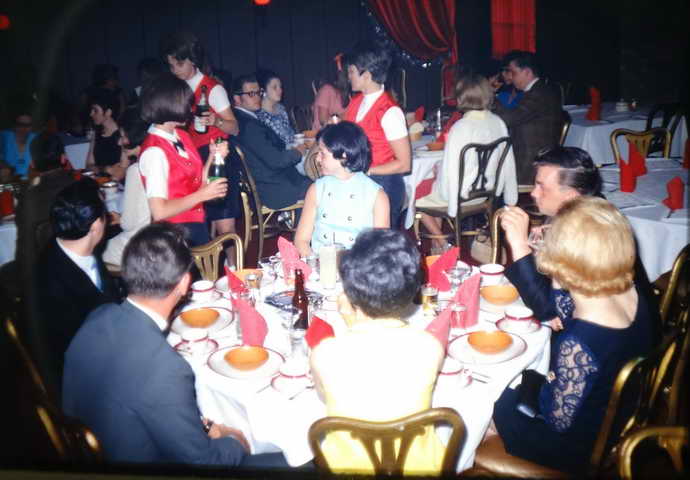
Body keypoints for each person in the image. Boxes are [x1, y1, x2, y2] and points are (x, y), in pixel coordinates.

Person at [63, 223, 287, 468]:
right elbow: (205, 461)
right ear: (184, 283)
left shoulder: (98, 317)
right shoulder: (165, 369)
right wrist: (236, 440)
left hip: (90, 450)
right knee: (291, 461)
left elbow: (138, 398)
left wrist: (206, 427)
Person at [491, 196, 654, 474]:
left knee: (488, 402)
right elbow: (563, 310)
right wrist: (559, 268)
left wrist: (520, 393)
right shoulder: (628, 290)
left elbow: (557, 421)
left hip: (572, 448)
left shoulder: (579, 343)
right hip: (617, 416)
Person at [310, 229, 445, 475]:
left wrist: (350, 319)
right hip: (420, 469)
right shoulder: (431, 346)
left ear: (348, 291)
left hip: (347, 470)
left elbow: (324, 397)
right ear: (413, 289)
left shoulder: (324, 354)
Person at [34, 178, 119, 395]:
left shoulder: (76, 247)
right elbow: (83, 349)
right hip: (89, 382)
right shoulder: (51, 281)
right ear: (96, 225)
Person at [415, 73, 518, 252]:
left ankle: (442, 243)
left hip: (459, 195)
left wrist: (439, 175)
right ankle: (438, 247)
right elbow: (508, 164)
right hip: (487, 192)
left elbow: (450, 171)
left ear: (461, 97)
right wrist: (510, 197)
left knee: (414, 193)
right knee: (431, 184)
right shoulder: (498, 122)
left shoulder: (461, 127)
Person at [161, 31, 241, 254]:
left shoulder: (212, 88)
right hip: (192, 159)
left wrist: (216, 120)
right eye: (171, 66)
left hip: (217, 156)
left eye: (179, 64)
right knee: (196, 224)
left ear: (192, 60)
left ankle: (233, 268)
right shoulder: (176, 90)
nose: (174, 70)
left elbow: (235, 127)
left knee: (225, 225)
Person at [138, 72, 228, 246]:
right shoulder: (154, 151)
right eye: (185, 103)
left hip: (196, 225)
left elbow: (198, 181)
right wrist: (202, 195)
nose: (191, 108)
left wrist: (214, 155)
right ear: (168, 104)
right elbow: (159, 212)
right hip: (174, 236)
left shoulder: (181, 135)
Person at [294, 122, 389, 256]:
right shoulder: (317, 189)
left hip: (359, 264)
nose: (318, 159)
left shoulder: (376, 195)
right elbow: (301, 240)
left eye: (322, 153)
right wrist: (314, 262)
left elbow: (380, 248)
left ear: (343, 155)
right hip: (320, 261)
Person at [343, 42, 411, 228]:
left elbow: (404, 164)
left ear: (366, 75)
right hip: (359, 183)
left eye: (351, 71)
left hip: (383, 185)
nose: (348, 77)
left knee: (380, 245)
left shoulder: (389, 112)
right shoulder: (356, 102)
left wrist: (367, 170)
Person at [232, 74, 311, 209]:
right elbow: (276, 161)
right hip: (275, 188)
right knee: (321, 185)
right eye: (251, 94)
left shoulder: (241, 120)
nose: (257, 97)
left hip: (273, 181)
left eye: (258, 92)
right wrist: (298, 151)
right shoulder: (249, 126)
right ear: (237, 99)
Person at [15, 134, 76, 287]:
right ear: (63, 158)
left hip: (40, 279)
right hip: (76, 273)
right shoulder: (79, 188)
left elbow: (24, 248)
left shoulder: (26, 198)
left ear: (33, 163)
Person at [493, 51, 563, 184]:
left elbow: (509, 118)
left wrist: (490, 96)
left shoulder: (539, 93)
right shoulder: (537, 90)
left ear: (527, 72)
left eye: (513, 73)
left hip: (532, 161)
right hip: (528, 150)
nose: (510, 77)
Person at [103, 107, 151, 266]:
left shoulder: (135, 170)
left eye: (123, 136)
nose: (119, 142)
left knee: (95, 250)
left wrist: (120, 219)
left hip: (139, 246)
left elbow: (128, 224)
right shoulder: (159, 159)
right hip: (158, 238)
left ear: (135, 136)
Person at [86, 88, 122, 175]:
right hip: (99, 179)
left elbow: (121, 170)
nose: (91, 114)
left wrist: (99, 169)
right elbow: (88, 165)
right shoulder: (97, 132)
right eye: (91, 110)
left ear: (108, 112)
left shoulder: (122, 135)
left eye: (95, 110)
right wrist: (105, 169)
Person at [256, 69, 295, 145]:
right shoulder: (260, 116)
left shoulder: (281, 109)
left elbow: (290, 135)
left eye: (280, 87)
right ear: (263, 91)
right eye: (275, 87)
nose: (280, 90)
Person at [0, 107, 37, 179]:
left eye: (28, 125)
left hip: (31, 182)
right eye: (20, 124)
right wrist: (4, 166)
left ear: (31, 126)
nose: (24, 128)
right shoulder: (4, 137)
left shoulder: (36, 138)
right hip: (8, 181)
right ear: (14, 125)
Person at [311, 67, 350, 131]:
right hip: (325, 133)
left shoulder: (345, 94)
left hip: (342, 131)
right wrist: (341, 118)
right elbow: (323, 120)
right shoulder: (327, 90)